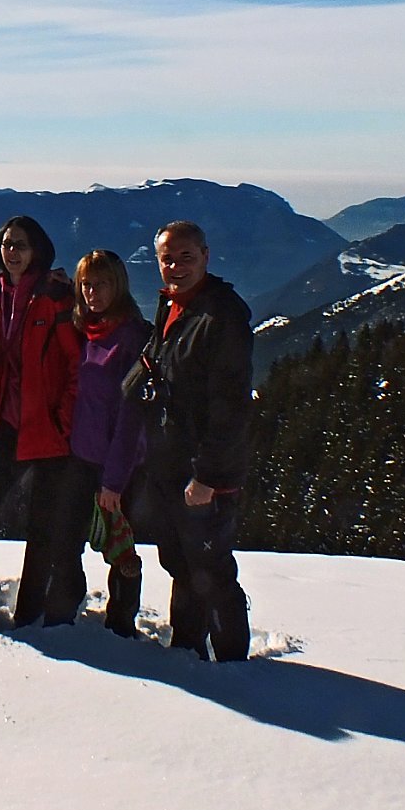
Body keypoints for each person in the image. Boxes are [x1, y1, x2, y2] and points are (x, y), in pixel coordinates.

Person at [0, 216, 84, 632]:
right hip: (11, 422)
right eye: (6, 243)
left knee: (43, 527)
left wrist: (64, 421)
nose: (12, 251)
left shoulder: (56, 298)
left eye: (21, 244)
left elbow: (76, 366)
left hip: (51, 430)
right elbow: (10, 364)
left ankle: (31, 616)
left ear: (37, 249)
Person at [137, 221, 253, 661]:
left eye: (186, 256)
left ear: (206, 256)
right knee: (181, 562)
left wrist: (207, 475)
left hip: (203, 472)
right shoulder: (173, 307)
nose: (176, 266)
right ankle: (187, 647)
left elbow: (230, 404)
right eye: (167, 258)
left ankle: (232, 661)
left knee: (210, 567)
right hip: (170, 461)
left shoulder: (220, 315)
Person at [69, 249, 151, 637]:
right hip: (82, 456)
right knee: (79, 535)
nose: (92, 292)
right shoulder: (86, 330)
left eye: (101, 283)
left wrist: (114, 481)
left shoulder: (131, 338)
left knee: (120, 547)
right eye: (85, 284)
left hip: (116, 464)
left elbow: (131, 418)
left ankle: (121, 623)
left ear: (118, 285)